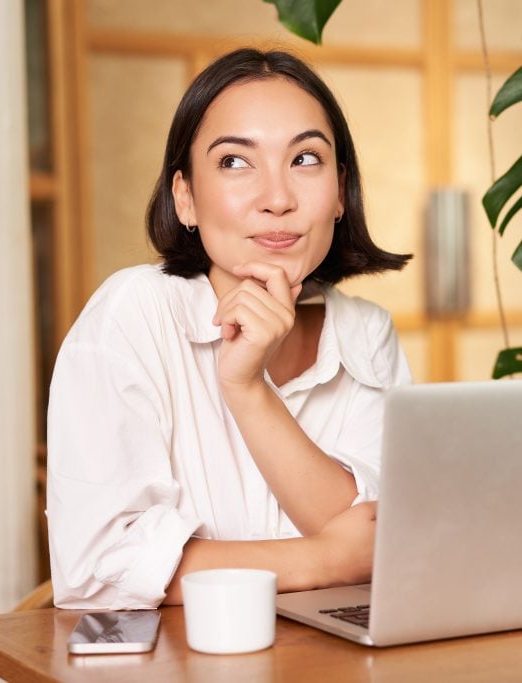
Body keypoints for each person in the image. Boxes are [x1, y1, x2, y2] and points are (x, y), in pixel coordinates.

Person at [46, 48, 412, 609]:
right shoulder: (133, 314)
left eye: (306, 159)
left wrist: (247, 392)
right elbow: (98, 566)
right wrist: (321, 561)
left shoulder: (366, 334)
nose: (277, 199)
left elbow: (379, 540)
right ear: (185, 197)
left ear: (340, 192)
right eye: (236, 162)